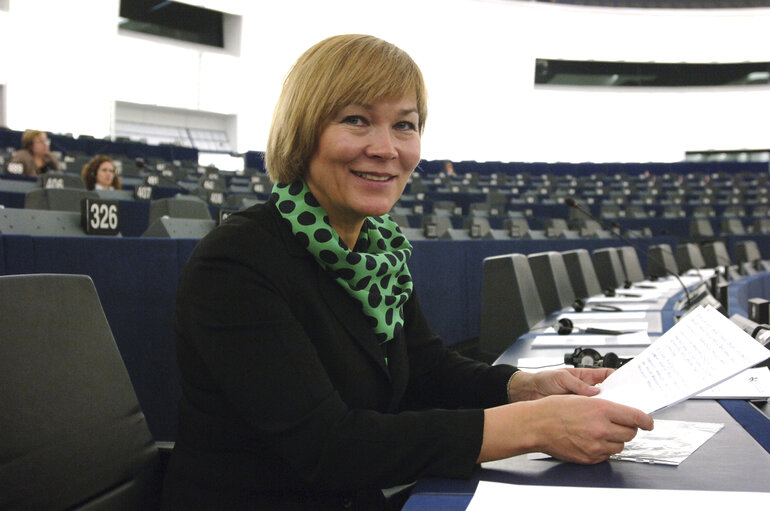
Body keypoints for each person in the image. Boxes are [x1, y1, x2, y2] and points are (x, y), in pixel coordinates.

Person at [160, 34, 653, 511]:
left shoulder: (377, 252)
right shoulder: (236, 262)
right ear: (303, 130)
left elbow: (425, 371)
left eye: (405, 125)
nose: (385, 148)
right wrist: (533, 427)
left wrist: (525, 387)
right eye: (356, 120)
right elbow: (329, 447)